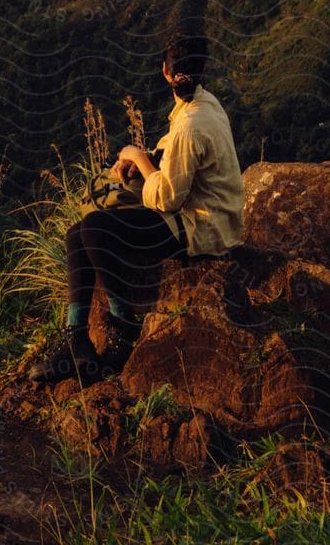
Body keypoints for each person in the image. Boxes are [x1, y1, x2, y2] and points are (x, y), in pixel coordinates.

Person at [28, 32, 244, 385]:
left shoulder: (191, 123)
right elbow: (174, 146)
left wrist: (136, 158)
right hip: (200, 214)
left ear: (164, 71)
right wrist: (151, 158)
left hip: (199, 226)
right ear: (201, 72)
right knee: (76, 233)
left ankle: (122, 327)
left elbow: (167, 198)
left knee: (95, 229)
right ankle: (76, 338)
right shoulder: (204, 106)